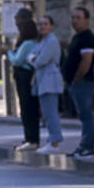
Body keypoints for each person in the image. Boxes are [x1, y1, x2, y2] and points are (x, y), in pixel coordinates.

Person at [64, 7, 94, 159]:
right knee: (83, 115)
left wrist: (77, 78)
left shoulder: (87, 38)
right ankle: (84, 145)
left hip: (83, 82)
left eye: (78, 17)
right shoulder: (77, 37)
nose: (75, 21)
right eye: (73, 17)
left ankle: (87, 147)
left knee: (86, 115)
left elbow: (86, 61)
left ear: (86, 19)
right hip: (76, 83)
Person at [30, 15, 65, 154]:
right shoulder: (42, 41)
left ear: (52, 26)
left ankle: (54, 142)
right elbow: (30, 56)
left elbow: (40, 60)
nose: (42, 27)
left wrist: (35, 58)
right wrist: (35, 58)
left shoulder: (51, 41)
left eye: (45, 24)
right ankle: (52, 139)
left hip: (50, 81)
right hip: (42, 80)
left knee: (50, 113)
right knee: (46, 113)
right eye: (40, 24)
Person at [7, 14, 41, 151]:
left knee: (27, 108)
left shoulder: (28, 44)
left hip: (25, 76)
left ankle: (31, 138)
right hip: (24, 76)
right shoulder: (33, 43)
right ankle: (30, 138)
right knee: (28, 108)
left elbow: (17, 60)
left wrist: (8, 52)